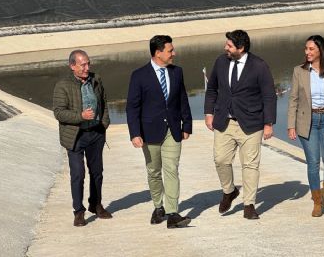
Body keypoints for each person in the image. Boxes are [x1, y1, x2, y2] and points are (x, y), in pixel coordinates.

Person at [204, 30, 277, 220]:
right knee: (220, 159)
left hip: (252, 123)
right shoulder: (221, 62)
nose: (225, 48)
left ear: (241, 48)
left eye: (229, 45)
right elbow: (211, 89)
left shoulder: (259, 66)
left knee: (250, 165)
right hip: (224, 122)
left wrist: (268, 123)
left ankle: (249, 205)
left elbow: (269, 96)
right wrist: (208, 113)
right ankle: (229, 191)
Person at [126, 35, 193, 229]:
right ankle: (158, 207)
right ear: (158, 53)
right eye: (170, 50)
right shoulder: (139, 75)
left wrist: (186, 125)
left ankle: (173, 213)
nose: (174, 53)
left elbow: (182, 99)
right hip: (149, 131)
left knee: (171, 169)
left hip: (173, 130)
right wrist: (135, 133)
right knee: (154, 171)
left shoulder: (177, 72)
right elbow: (132, 107)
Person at [287, 35, 324, 217]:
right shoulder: (299, 71)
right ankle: (317, 201)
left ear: (321, 50)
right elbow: (293, 100)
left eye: (311, 49)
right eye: (306, 49)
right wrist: (291, 125)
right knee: (313, 163)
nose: (307, 52)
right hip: (307, 122)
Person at [53, 49, 112, 227]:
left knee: (97, 172)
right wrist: (81, 116)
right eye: (83, 64)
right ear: (72, 66)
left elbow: (104, 103)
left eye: (88, 63)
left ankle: (96, 204)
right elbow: (59, 113)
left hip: (96, 134)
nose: (87, 67)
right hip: (75, 136)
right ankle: (78, 211)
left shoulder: (96, 79)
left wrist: (104, 123)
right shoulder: (62, 85)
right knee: (78, 174)